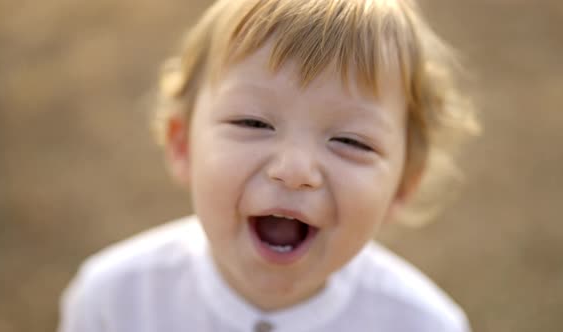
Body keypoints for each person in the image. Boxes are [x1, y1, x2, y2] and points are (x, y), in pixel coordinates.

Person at [58, 0, 479, 331]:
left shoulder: (422, 324)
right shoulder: (114, 300)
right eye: (252, 122)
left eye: (351, 141)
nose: (294, 170)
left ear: (402, 187)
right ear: (183, 145)